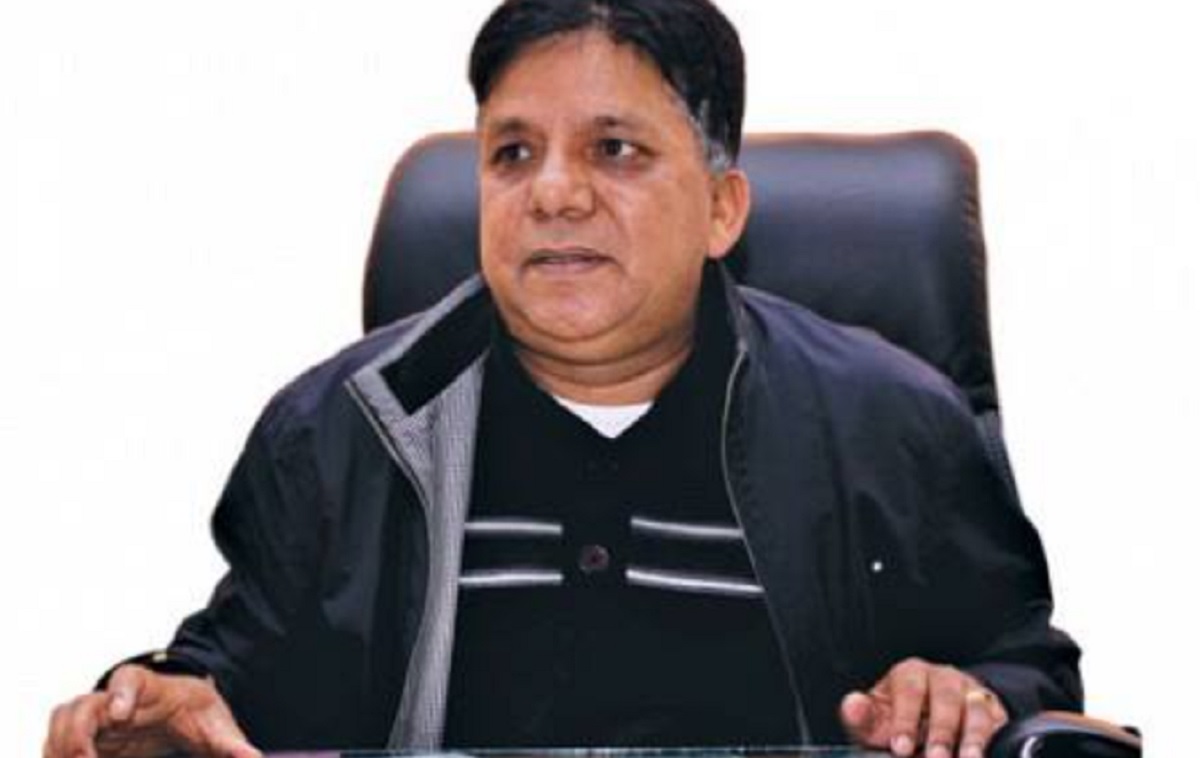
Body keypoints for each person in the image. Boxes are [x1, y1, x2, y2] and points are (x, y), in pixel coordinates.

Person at [44, 1, 1082, 757]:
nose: (552, 194)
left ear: (722, 208)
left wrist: (969, 692)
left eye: (614, 149)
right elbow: (229, 689)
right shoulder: (342, 430)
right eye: (512, 153)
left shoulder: (888, 423)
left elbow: (1027, 670)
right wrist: (151, 710)